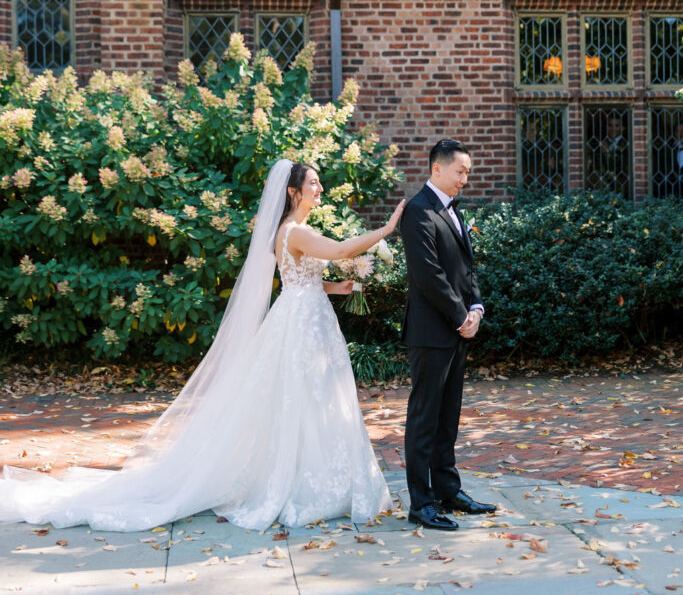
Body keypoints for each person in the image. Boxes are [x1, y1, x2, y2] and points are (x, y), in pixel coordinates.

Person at [0, 159, 404, 532]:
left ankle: (313, 476)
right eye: (313, 183)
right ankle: (301, 484)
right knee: (300, 399)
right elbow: (338, 251)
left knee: (308, 399)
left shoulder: (291, 233)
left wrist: (338, 287)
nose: (321, 188)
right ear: (293, 192)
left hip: (306, 318)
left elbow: (300, 280)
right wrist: (384, 231)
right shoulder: (296, 231)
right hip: (302, 326)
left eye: (319, 182)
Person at [400, 139, 496, 531]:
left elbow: (466, 269)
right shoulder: (418, 211)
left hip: (457, 330)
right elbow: (429, 277)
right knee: (424, 418)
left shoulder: (454, 212)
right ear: (436, 169)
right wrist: (461, 317)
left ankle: (447, 491)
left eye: (468, 172)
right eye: (460, 171)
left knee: (448, 417)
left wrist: (476, 308)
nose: (465, 179)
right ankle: (420, 503)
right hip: (430, 332)